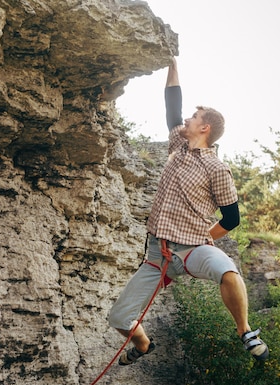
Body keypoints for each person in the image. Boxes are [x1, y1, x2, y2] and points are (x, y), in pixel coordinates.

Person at [108, 57, 268, 365]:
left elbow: (232, 219)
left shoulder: (217, 168)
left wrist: (203, 237)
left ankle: (245, 331)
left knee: (229, 273)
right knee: (119, 318)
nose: (186, 121)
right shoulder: (176, 147)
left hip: (193, 249)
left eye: (193, 117)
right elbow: (172, 106)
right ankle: (143, 346)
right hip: (158, 257)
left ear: (204, 127)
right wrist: (172, 66)